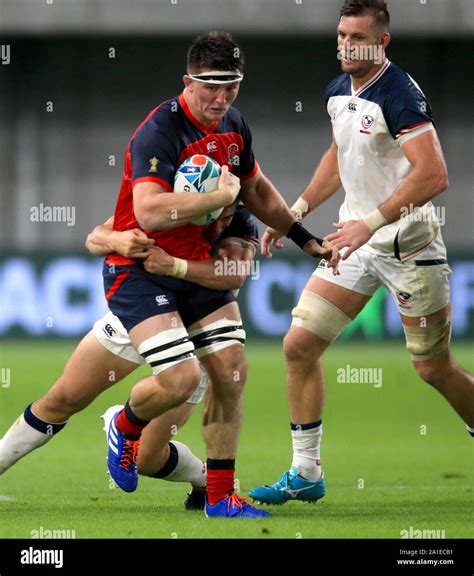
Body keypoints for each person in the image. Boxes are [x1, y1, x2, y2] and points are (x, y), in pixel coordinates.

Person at [102, 31, 339, 518]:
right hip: (142, 268)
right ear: (188, 81)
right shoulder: (159, 131)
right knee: (180, 379)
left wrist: (301, 236)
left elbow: (256, 190)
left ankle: (219, 497)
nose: (222, 97)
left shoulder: (233, 124)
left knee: (232, 371)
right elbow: (147, 212)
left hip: (196, 268)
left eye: (232, 85)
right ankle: (124, 427)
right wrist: (214, 198)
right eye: (211, 85)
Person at [249, 0, 474, 505]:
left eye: (356, 36)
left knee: (432, 367)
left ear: (382, 41)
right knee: (298, 345)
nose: (345, 45)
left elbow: (434, 175)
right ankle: (306, 471)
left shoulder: (398, 95)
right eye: (341, 34)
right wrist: (295, 213)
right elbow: (339, 152)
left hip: (410, 248)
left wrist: (366, 224)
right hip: (358, 245)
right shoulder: (337, 91)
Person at [0, 203, 258, 511]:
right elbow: (95, 237)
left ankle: (203, 478)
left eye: (226, 213)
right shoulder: (161, 203)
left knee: (147, 458)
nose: (220, 223)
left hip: (196, 335)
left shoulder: (240, 220)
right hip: (141, 315)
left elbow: (232, 275)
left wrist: (174, 265)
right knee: (62, 398)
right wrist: (117, 241)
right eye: (217, 212)